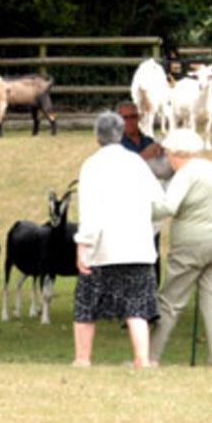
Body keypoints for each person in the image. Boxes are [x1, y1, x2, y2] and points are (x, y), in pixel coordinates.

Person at [71, 112, 164, 368]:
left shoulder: (92, 165)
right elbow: (160, 205)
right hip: (137, 246)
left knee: (86, 305)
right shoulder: (137, 164)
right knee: (136, 308)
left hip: (103, 248)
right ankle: (142, 359)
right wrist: (150, 230)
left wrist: (83, 244)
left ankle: (82, 359)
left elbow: (89, 210)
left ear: (97, 136)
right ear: (121, 133)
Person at [147, 129, 212, 368]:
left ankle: (149, 357)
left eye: (167, 153)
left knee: (170, 300)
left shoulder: (185, 174)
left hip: (190, 244)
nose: (166, 158)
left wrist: (144, 208)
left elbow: (168, 206)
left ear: (177, 153)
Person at [116, 102, 171, 180]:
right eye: (125, 118)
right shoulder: (115, 144)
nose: (130, 121)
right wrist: (144, 155)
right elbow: (118, 171)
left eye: (133, 117)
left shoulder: (148, 141)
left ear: (138, 118)